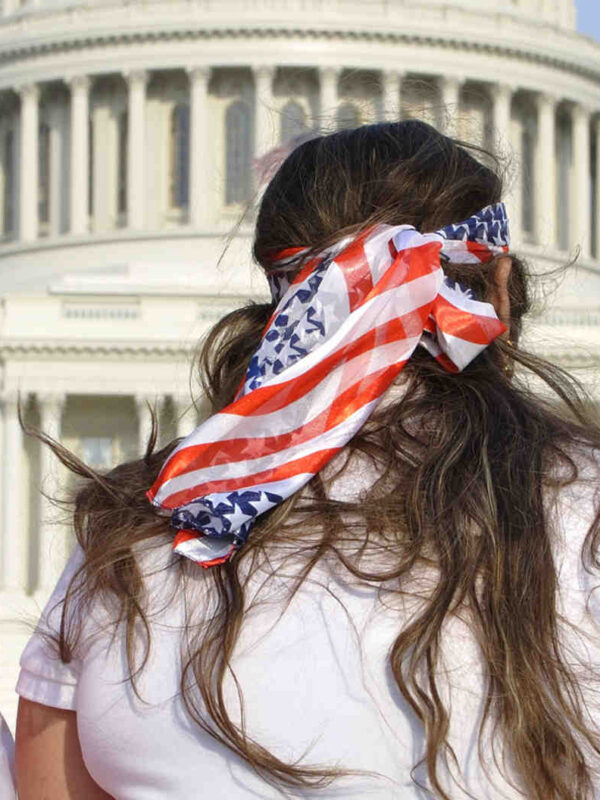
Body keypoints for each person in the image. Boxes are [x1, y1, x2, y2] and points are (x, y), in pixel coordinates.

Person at [13, 120, 600, 800]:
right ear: (497, 283)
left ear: (284, 298)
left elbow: (50, 783)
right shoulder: (585, 509)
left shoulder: (145, 524)